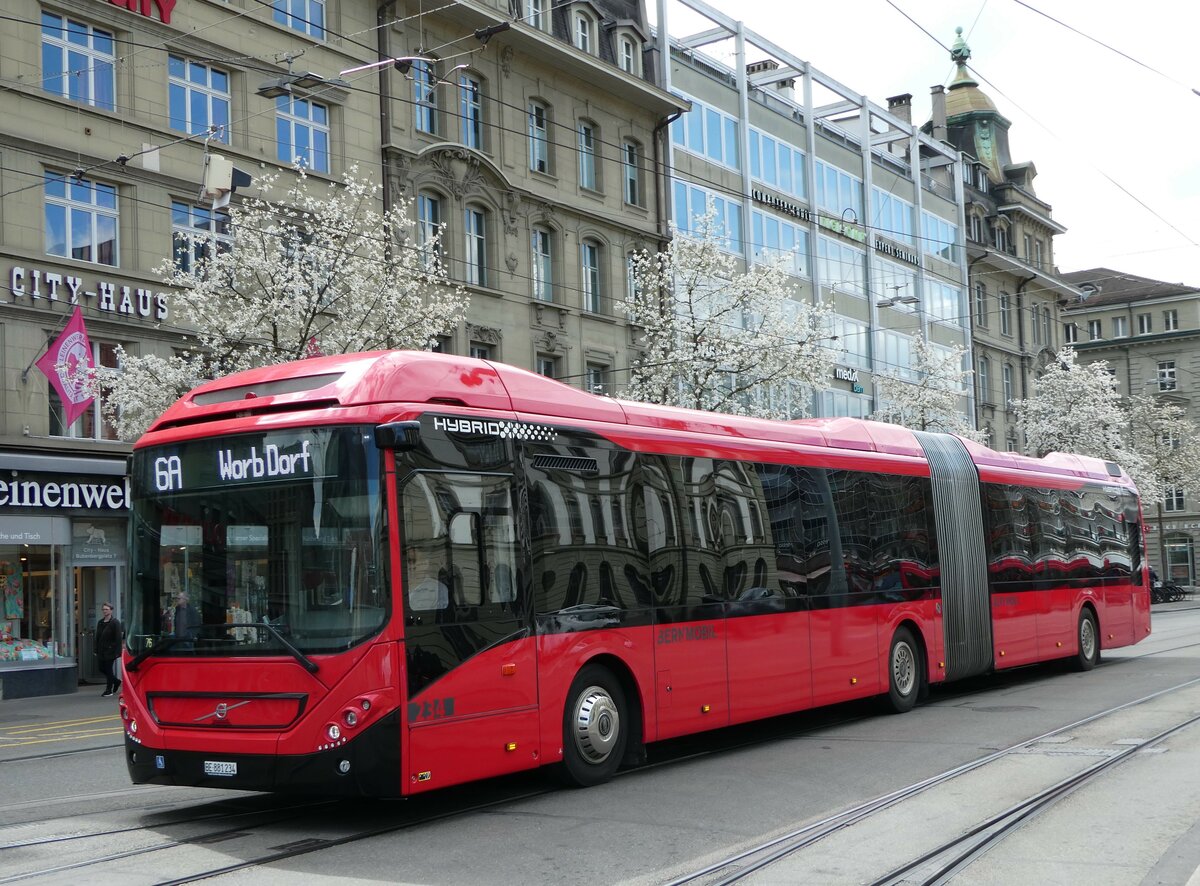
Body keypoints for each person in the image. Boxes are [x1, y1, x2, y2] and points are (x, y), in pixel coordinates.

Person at [406, 547, 449, 612]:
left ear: (425, 563)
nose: (411, 565)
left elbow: (442, 616)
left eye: (414, 560)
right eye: (409, 560)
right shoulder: (397, 586)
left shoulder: (439, 589)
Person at [95, 602, 123, 697]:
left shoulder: (115, 622)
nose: (104, 611)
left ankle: (108, 690)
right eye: (103, 609)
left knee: (108, 669)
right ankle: (116, 681)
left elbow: (118, 638)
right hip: (101, 650)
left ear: (111, 610)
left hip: (110, 650)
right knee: (101, 668)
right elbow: (97, 637)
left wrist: (118, 652)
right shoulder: (100, 622)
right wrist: (96, 649)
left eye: (106, 609)